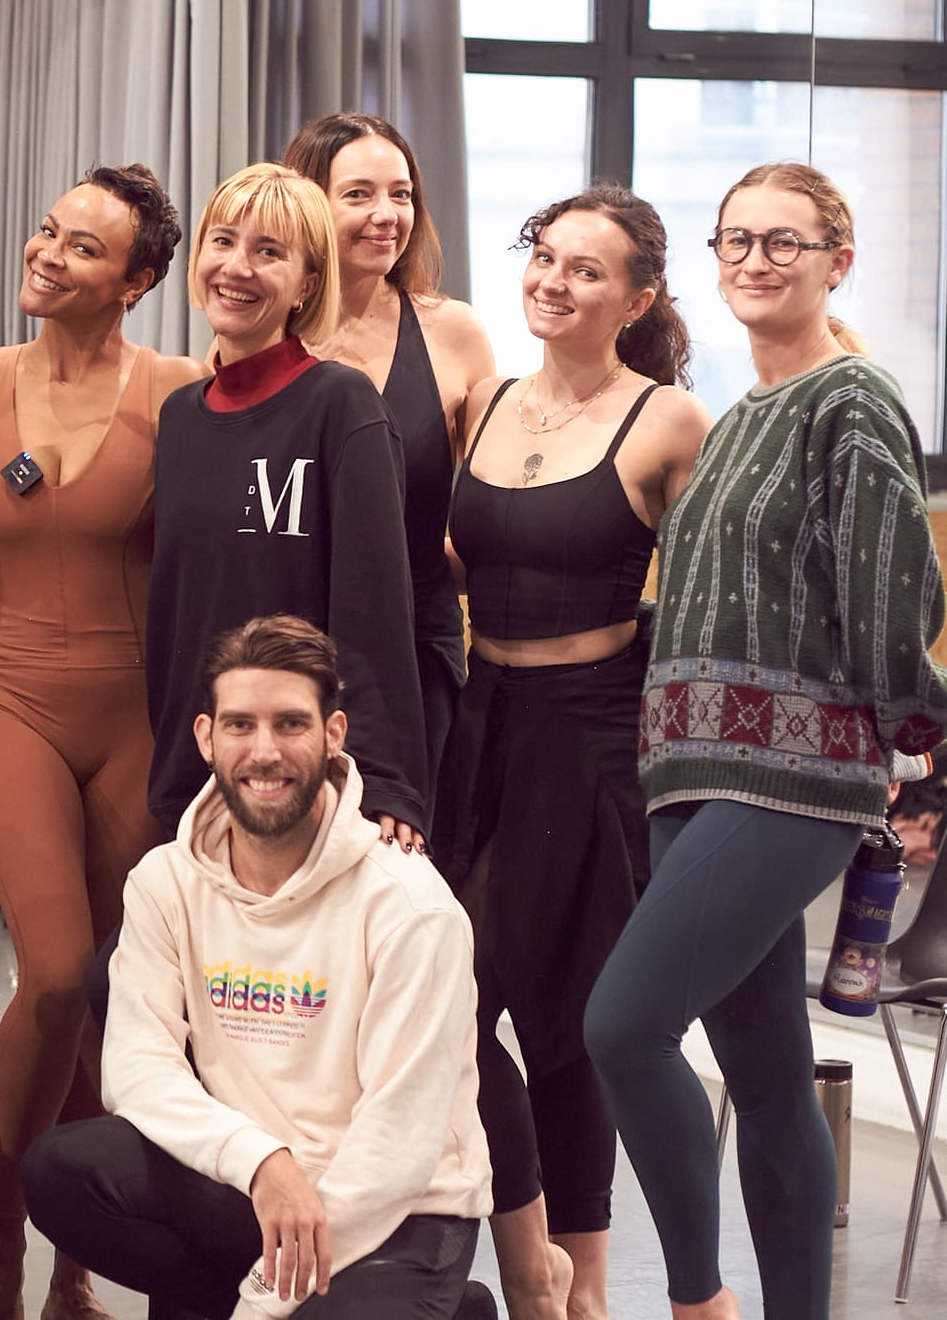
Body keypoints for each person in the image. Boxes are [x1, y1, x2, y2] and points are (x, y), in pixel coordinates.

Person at [585, 162, 947, 1320]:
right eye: (734, 239)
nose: (753, 259)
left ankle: (697, 1300)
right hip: (691, 773)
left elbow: (891, 595)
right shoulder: (738, 415)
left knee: (623, 1027)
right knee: (769, 1080)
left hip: (791, 778)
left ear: (837, 261)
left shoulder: (852, 398)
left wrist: (921, 743)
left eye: (782, 241)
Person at [22, 615, 492, 1319]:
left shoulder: (411, 906)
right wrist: (261, 1161)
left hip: (399, 1211)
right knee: (62, 1172)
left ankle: (430, 1301)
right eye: (240, 724)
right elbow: (138, 1069)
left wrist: (263, 1300)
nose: (264, 752)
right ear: (206, 737)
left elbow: (397, 1147)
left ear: (333, 734)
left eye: (290, 724)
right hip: (257, 1187)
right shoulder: (165, 882)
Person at [434, 183, 709, 1320]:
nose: (552, 281)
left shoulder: (670, 420)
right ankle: (528, 1259)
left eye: (585, 269)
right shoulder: (487, 400)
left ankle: (576, 1281)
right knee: (445, 998)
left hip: (590, 729)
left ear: (635, 299)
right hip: (476, 719)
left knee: (561, 1014)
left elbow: (704, 604)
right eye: (543, 256)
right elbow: (465, 559)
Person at [0, 164, 202, 1319]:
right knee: (48, 971)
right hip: (6, 698)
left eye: (83, 247)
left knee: (103, 986)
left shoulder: (181, 392)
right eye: (48, 230)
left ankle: (77, 1267)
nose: (47, 252)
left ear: (136, 282)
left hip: (135, 715)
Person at [147, 162, 427, 849]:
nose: (236, 267)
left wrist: (385, 779)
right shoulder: (179, 416)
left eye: (268, 251)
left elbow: (375, 611)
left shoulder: (343, 404)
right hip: (195, 763)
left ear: (307, 283)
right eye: (223, 241)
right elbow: (178, 608)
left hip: (304, 770)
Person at [280, 114, 497, 791]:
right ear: (309, 203)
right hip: (290, 650)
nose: (386, 215)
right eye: (359, 194)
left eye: (401, 195)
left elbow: (490, 508)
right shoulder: (261, 330)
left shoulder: (453, 330)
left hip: (417, 650)